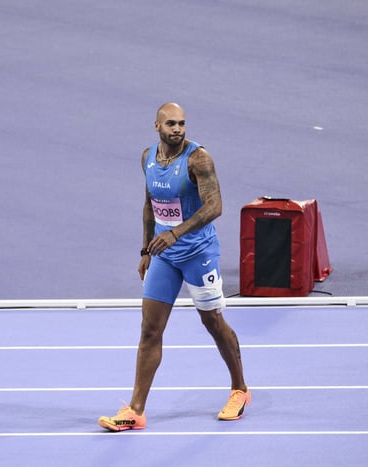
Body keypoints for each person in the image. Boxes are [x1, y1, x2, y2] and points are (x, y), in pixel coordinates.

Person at [98, 103, 250, 431]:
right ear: (157, 126)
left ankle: (240, 388)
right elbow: (150, 204)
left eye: (181, 123)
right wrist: (145, 250)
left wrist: (175, 233)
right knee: (150, 329)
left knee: (212, 322)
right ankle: (135, 410)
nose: (177, 129)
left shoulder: (198, 159)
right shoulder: (147, 158)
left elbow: (215, 206)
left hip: (198, 253)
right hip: (164, 256)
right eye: (170, 123)